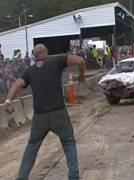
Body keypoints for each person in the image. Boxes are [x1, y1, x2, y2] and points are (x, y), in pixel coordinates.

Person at [4, 44, 86, 180]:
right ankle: (73, 176)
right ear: (46, 52)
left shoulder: (30, 71)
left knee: (32, 146)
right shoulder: (56, 61)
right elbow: (80, 61)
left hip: (39, 117)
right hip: (58, 113)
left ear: (34, 56)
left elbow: (17, 83)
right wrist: (82, 77)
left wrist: (8, 101)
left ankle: (21, 177)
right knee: (68, 142)